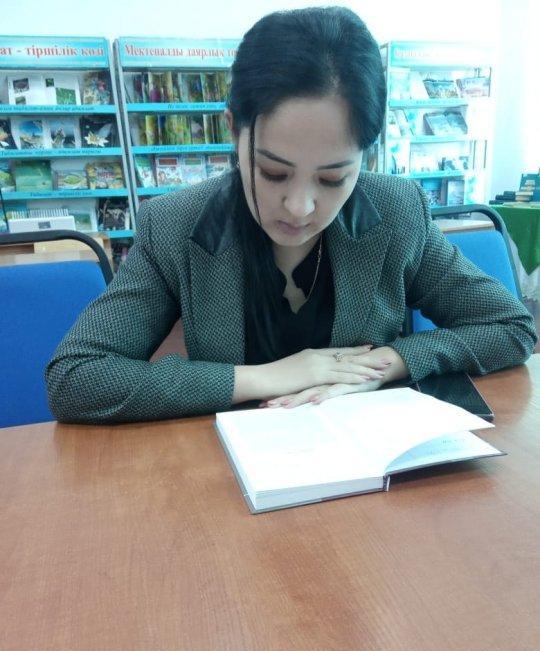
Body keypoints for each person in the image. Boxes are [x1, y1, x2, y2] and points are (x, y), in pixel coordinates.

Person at [46, 7, 536, 424]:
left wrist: (388, 363)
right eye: (273, 172)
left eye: (333, 178)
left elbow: (510, 326)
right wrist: (268, 377)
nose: (300, 207)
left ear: (366, 156)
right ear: (234, 129)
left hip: (366, 464)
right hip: (231, 475)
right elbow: (75, 376)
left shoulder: (396, 210)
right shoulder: (176, 225)